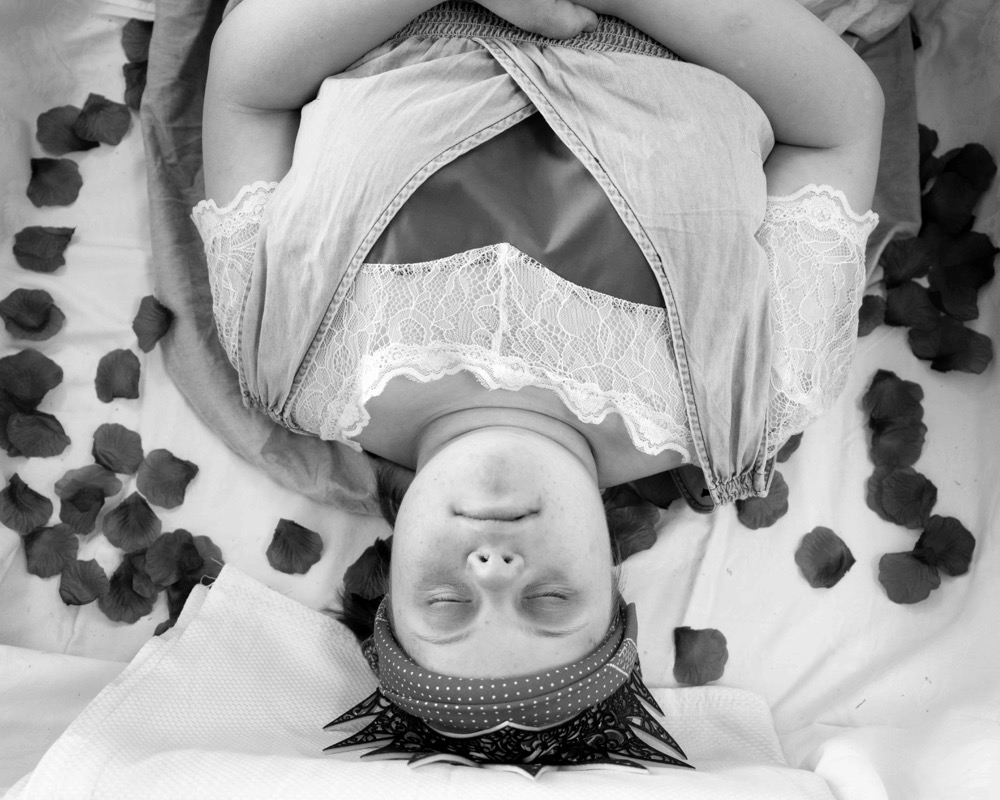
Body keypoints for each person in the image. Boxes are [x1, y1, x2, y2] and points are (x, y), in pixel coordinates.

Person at [193, 0, 883, 773]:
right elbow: (840, 122)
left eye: (447, 605)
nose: (493, 571)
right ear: (612, 582)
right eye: (550, 603)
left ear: (387, 582)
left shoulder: (286, 358)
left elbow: (247, 90)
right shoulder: (751, 403)